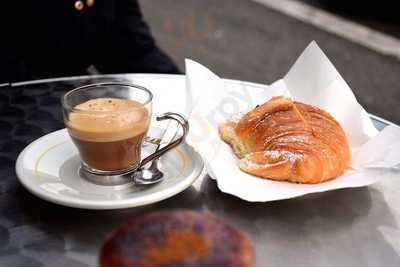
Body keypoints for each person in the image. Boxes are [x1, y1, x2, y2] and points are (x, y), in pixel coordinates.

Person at [0, 0, 180, 83]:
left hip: (74, 95)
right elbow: (14, 85)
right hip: (20, 107)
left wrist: (185, 89)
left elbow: (131, 49)